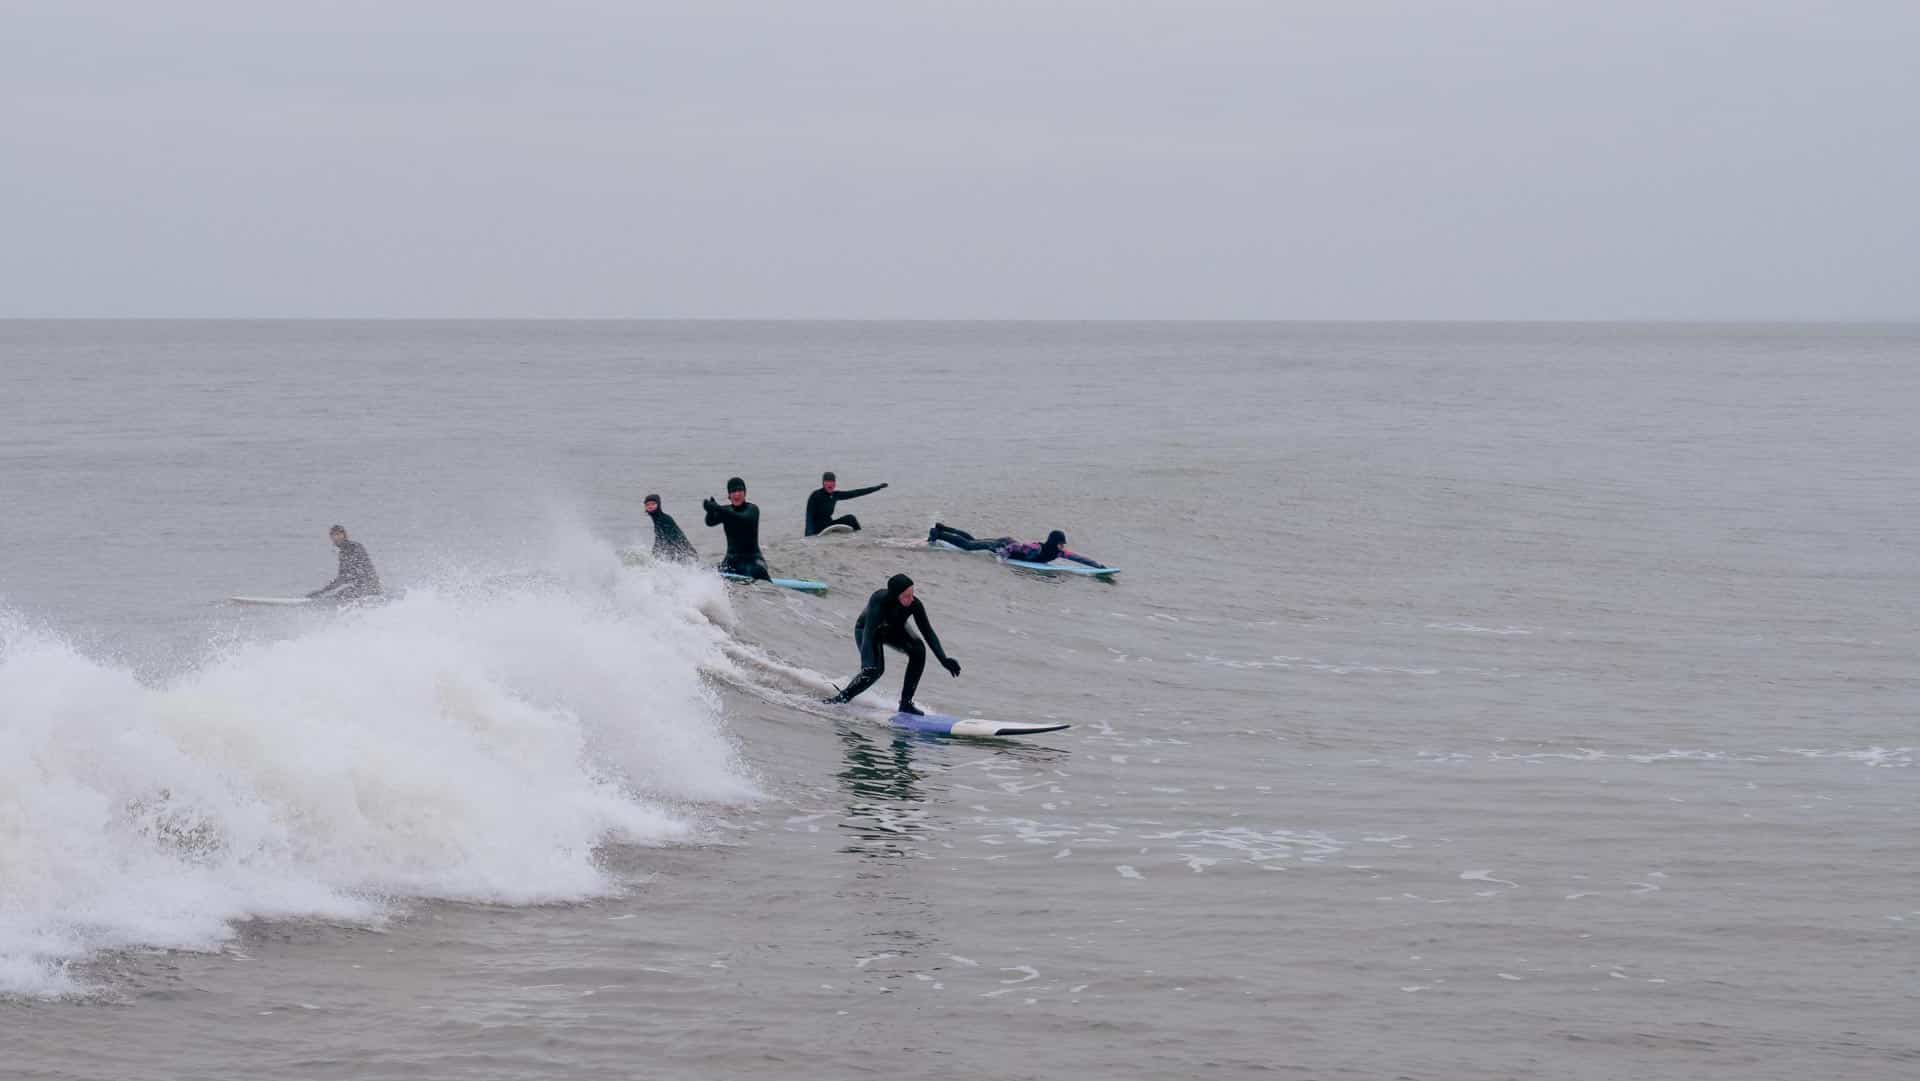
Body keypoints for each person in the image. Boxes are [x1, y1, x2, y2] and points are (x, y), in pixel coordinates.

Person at [826, 573, 961, 716]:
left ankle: (906, 704)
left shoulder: (915, 604)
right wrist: (867, 664)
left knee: (918, 650)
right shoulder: (879, 601)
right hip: (867, 630)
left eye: (912, 594)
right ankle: (841, 698)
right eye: (906, 596)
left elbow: (927, 631)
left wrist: (943, 659)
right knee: (875, 670)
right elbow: (869, 632)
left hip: (893, 629)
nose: (912, 599)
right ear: (895, 595)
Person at [926, 523, 1109, 568]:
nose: (1063, 547)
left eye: (1063, 544)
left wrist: (1097, 566)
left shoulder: (1059, 553)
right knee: (969, 545)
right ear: (1055, 543)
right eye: (1061, 543)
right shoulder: (1037, 549)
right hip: (1004, 544)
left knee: (974, 540)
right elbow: (1016, 548)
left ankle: (944, 527)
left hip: (1009, 542)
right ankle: (939, 533)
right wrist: (1001, 557)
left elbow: (1079, 558)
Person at [703, 476, 770, 581]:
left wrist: (717, 508)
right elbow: (709, 522)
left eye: (740, 490)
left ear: (745, 493)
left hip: (752, 561)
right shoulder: (725, 511)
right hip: (731, 562)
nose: (737, 494)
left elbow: (742, 519)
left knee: (759, 571)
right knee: (706, 571)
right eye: (733, 491)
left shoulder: (752, 509)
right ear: (729, 495)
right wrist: (710, 511)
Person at [309, 525, 382, 600]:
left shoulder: (352, 548)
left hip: (369, 587)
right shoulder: (345, 550)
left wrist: (323, 591)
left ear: (344, 535)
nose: (335, 538)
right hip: (365, 586)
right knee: (336, 596)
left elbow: (344, 577)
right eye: (333, 535)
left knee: (335, 598)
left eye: (338, 534)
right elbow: (344, 576)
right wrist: (324, 591)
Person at [805, 471, 888, 536]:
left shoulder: (835, 495)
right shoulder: (815, 495)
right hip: (817, 528)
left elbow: (855, 493)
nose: (830, 483)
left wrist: (877, 487)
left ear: (834, 484)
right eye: (827, 481)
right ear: (823, 483)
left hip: (829, 525)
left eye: (832, 482)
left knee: (851, 518)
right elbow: (809, 515)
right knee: (814, 526)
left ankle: (858, 538)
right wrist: (809, 535)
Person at [645, 494, 698, 563]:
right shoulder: (657, 519)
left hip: (685, 554)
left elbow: (673, 538)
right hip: (683, 554)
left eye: (653, 504)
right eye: (647, 504)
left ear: (659, 505)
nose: (650, 506)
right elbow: (660, 539)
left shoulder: (664, 519)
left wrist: (656, 555)